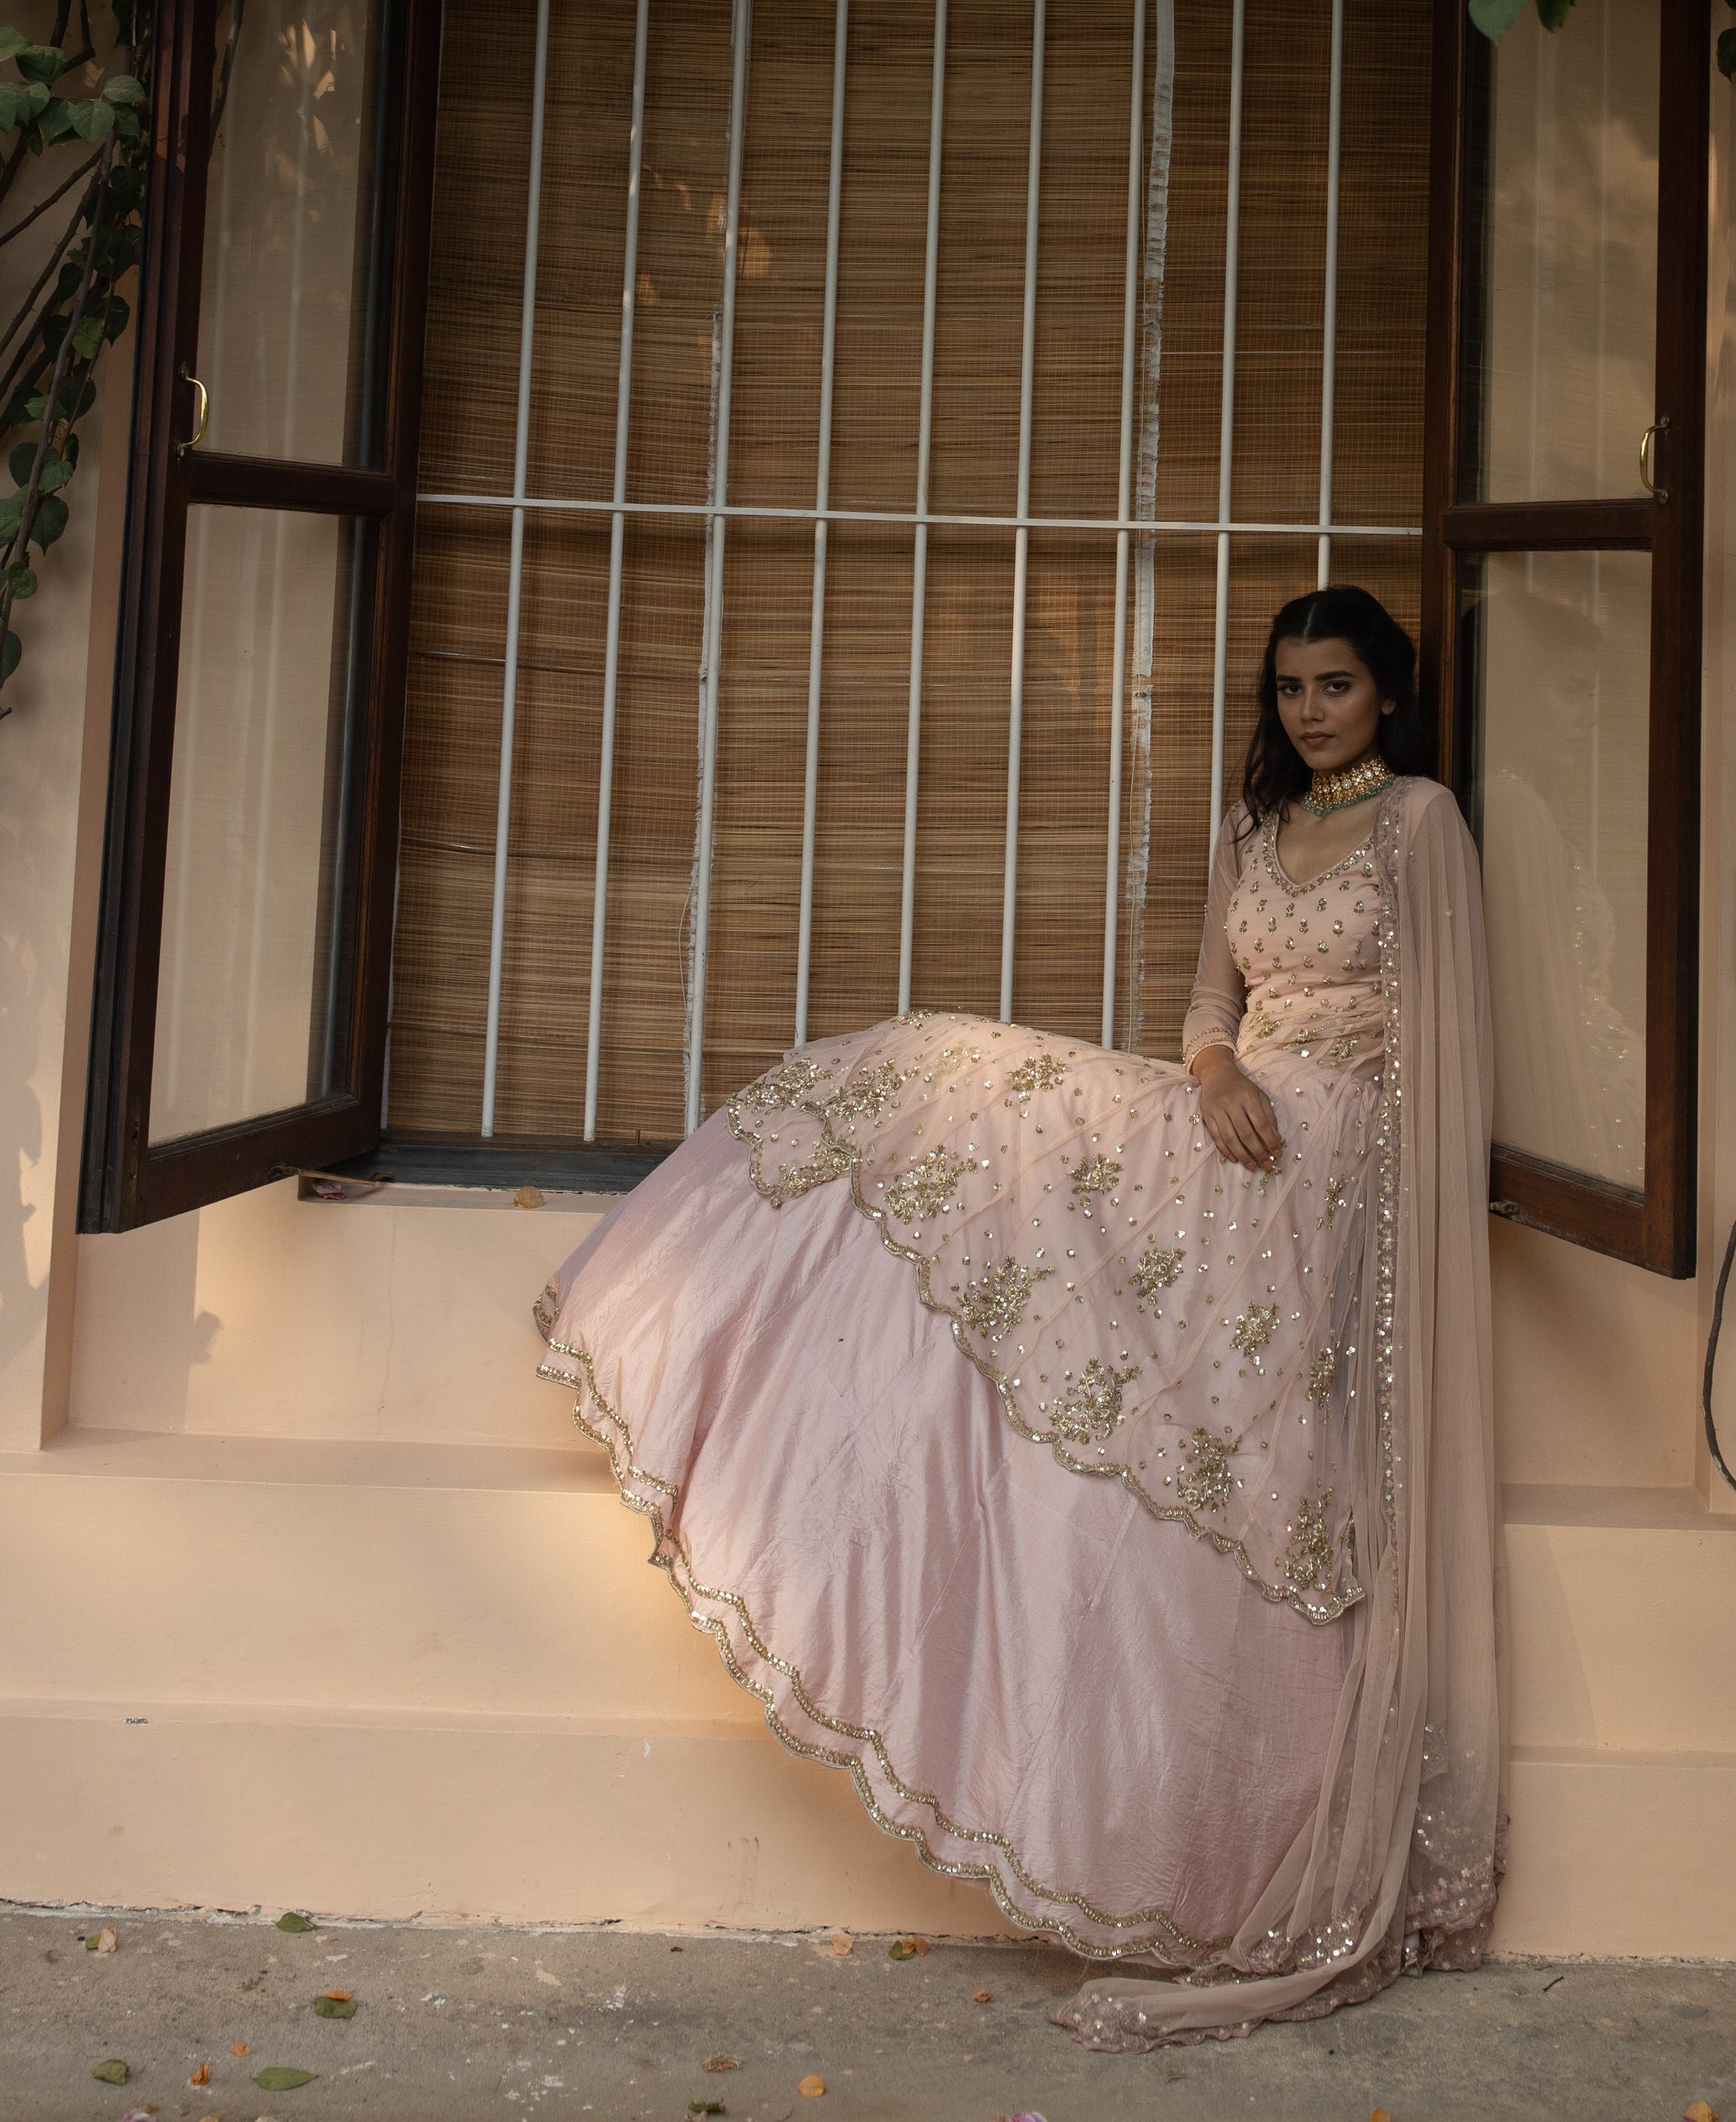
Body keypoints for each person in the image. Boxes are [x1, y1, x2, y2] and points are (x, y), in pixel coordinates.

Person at [535, 585, 1502, 2048]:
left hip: (1340, 1172)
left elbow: (1447, 1045)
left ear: (1389, 694)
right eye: (1291, 688)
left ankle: (1251, 1852)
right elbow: (1201, 1004)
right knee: (938, 1074)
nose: (1310, 712)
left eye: (1338, 687)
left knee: (1254, 1468)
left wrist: (1388, 1222)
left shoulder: (1422, 824)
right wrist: (1218, 1072)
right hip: (1229, 1127)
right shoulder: (1248, 829)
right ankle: (690, 1328)